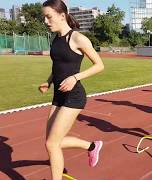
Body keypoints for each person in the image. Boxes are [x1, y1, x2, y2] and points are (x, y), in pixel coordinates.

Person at [39, 0, 104, 179]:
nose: (45, 21)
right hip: (58, 95)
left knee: (52, 144)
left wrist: (75, 77)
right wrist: (48, 81)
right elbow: (58, 66)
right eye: (44, 17)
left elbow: (99, 65)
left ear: (62, 16)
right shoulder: (56, 38)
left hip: (74, 96)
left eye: (48, 17)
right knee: (51, 143)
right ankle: (91, 146)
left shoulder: (78, 38)